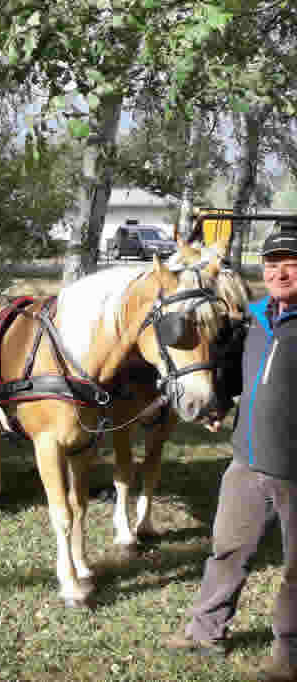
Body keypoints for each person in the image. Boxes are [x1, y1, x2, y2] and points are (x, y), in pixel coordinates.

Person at [165, 229, 297, 682]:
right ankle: (206, 631)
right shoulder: (255, 319)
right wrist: (219, 401)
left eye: (291, 264)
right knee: (226, 549)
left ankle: (289, 652)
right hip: (245, 461)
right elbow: (239, 375)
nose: (280, 272)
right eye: (272, 263)